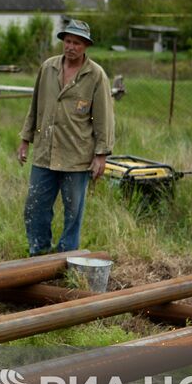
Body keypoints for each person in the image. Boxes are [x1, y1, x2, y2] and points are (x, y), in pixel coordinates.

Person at [16, 19, 115, 256]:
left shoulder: (95, 75)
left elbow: (104, 118)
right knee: (35, 206)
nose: (71, 47)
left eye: (77, 43)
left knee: (73, 211)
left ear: (85, 46)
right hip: (45, 152)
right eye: (68, 41)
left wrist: (101, 155)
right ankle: (39, 252)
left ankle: (66, 256)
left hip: (76, 156)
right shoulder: (48, 68)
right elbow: (35, 106)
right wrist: (25, 140)